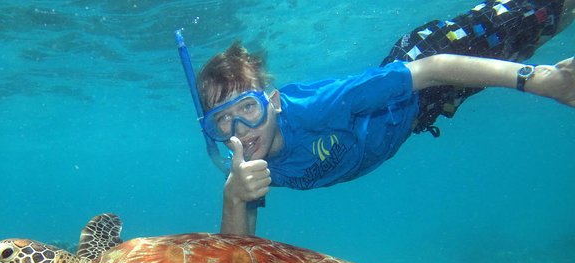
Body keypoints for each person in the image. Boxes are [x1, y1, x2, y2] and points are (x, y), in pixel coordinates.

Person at [195, 0, 575, 235]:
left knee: (542, 13)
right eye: (222, 121)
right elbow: (239, 256)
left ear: (274, 102)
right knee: (533, 35)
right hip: (423, 113)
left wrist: (537, 80)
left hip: (429, 61)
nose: (240, 130)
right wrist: (232, 197)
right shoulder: (246, 168)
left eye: (248, 108)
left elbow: (433, 68)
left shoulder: (320, 105)